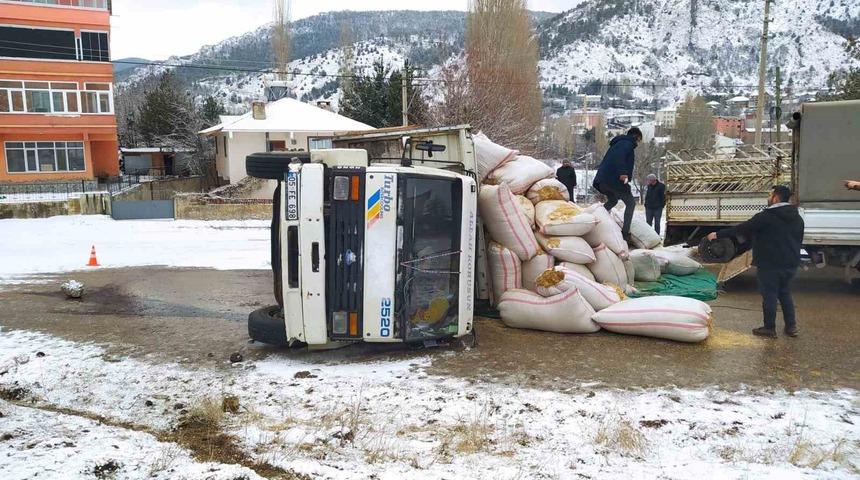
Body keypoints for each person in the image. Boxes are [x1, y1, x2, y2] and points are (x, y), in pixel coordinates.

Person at [707, 185, 805, 338]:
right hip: (790, 264)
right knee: (785, 293)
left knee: (770, 295)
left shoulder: (766, 216)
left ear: (776, 198)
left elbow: (743, 228)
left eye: (770, 195)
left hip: (770, 263)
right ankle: (791, 327)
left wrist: (718, 234)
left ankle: (769, 328)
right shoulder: (797, 217)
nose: (768, 197)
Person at [592, 127, 643, 240]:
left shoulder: (618, 143)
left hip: (603, 180)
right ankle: (625, 234)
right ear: (636, 137)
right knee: (631, 204)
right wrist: (623, 173)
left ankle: (596, 220)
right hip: (614, 179)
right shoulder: (626, 143)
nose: (638, 143)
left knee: (613, 200)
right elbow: (619, 157)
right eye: (639, 140)